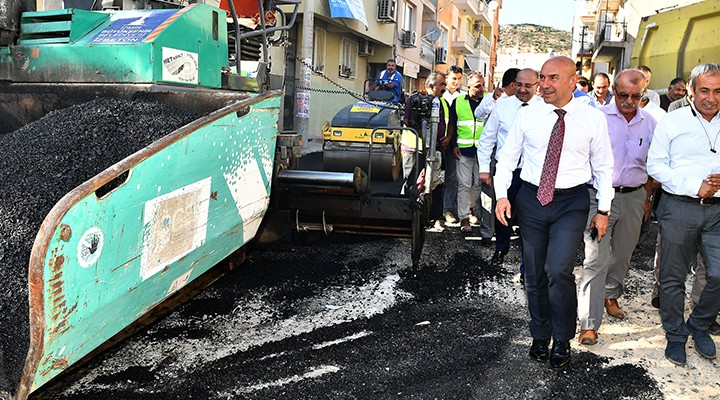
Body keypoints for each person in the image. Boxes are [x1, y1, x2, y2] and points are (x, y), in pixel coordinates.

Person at [494, 56, 614, 370]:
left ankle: (562, 337)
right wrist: (502, 196)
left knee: (558, 270)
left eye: (553, 78)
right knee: (533, 272)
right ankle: (540, 334)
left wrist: (603, 209)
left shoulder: (592, 118)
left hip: (571, 202)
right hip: (532, 199)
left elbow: (604, 166)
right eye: (543, 78)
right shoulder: (528, 114)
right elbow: (508, 157)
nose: (544, 85)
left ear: (573, 82)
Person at [646, 62, 720, 366]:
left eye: (718, 91)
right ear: (690, 90)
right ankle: (675, 335)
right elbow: (655, 165)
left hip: (718, 213)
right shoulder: (671, 122)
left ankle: (699, 324)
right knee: (673, 278)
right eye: (704, 90)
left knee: (718, 273)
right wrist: (694, 186)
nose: (711, 98)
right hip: (679, 208)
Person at [577, 69, 657, 346]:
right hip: (598, 198)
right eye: (623, 95)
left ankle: (611, 294)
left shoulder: (650, 123)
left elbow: (652, 165)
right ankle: (589, 322)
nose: (629, 101)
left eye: (636, 96)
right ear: (613, 89)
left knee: (623, 255)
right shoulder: (596, 119)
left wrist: (646, 200)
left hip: (634, 196)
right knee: (595, 260)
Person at [478, 68, 541, 267]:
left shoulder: (545, 108)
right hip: (506, 171)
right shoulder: (503, 106)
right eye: (519, 84)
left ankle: (526, 263)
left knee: (529, 219)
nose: (522, 89)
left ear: (537, 86)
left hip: (532, 174)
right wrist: (484, 169)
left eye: (528, 86)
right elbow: (487, 138)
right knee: (503, 213)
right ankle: (501, 249)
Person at [449, 72, 490, 238]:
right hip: (464, 150)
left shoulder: (489, 100)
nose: (482, 89)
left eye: (483, 85)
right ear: (469, 87)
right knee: (464, 184)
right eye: (478, 86)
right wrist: (453, 145)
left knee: (478, 185)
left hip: (483, 151)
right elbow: (452, 124)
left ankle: (469, 206)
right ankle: (464, 218)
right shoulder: (458, 101)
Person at [402, 72, 447, 183]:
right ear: (431, 86)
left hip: (433, 150)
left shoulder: (442, 102)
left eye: (445, 85)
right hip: (413, 149)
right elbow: (407, 121)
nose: (444, 88)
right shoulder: (414, 100)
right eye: (441, 85)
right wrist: (426, 137)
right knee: (411, 183)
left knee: (430, 184)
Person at [441, 65, 465, 224]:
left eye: (459, 79)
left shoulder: (463, 98)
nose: (456, 82)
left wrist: (451, 140)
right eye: (453, 79)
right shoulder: (438, 94)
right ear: (446, 78)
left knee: (452, 178)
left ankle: (447, 210)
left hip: (452, 144)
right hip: (435, 143)